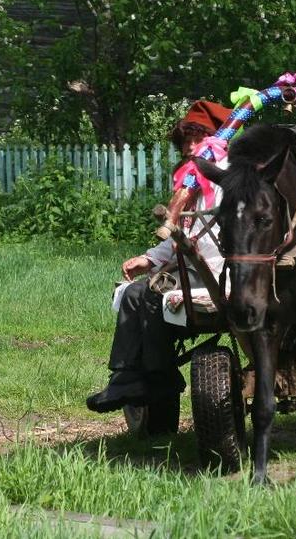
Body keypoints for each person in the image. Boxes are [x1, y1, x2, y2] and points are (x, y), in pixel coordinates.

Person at [86, 100, 233, 413]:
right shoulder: (186, 181)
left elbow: (214, 236)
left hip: (222, 271)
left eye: (198, 139)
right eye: (185, 141)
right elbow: (181, 234)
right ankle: (126, 377)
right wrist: (149, 259)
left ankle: (159, 379)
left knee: (150, 294)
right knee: (134, 294)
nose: (190, 147)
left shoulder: (227, 178)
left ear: (214, 141)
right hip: (189, 268)